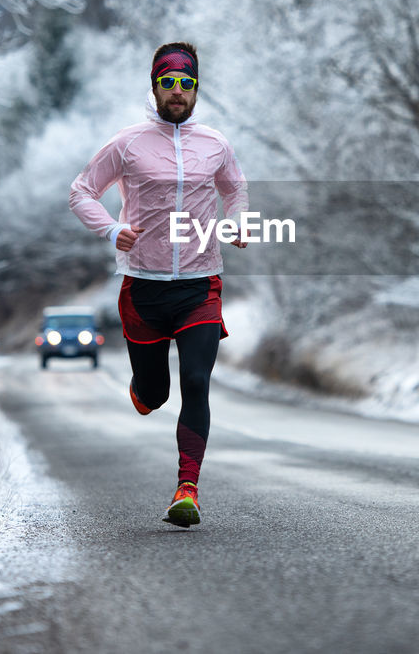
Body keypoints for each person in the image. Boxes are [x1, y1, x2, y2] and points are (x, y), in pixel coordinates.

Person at [68, 42, 247, 527]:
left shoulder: (215, 143)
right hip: (143, 288)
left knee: (196, 381)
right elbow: (81, 191)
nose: (177, 91)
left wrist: (238, 221)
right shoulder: (126, 143)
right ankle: (143, 387)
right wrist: (110, 229)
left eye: (186, 83)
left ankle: (187, 488)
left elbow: (235, 188)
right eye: (168, 82)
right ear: (154, 86)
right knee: (156, 395)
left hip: (199, 286)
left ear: (196, 90)